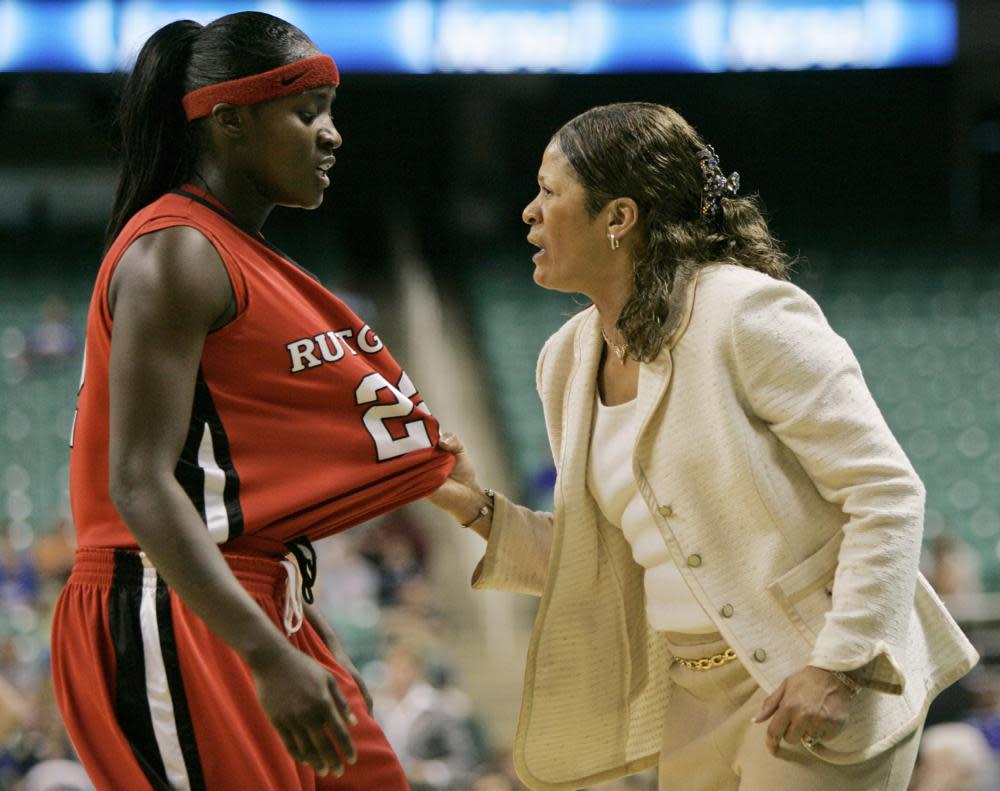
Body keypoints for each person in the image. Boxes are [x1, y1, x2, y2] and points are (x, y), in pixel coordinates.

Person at [427, 102, 979, 790]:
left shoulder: (745, 312)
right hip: (688, 701)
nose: (528, 213)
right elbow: (611, 560)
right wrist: (479, 510)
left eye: (549, 190)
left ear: (619, 216)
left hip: (812, 672)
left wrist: (839, 665)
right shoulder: (563, 361)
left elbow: (888, 492)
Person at [51, 12, 454, 791]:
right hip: (163, 601)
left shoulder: (232, 250)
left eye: (332, 111)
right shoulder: (176, 251)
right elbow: (137, 481)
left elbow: (244, 500)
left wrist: (304, 637)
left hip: (255, 597)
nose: (332, 134)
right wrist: (269, 655)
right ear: (229, 121)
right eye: (307, 112)